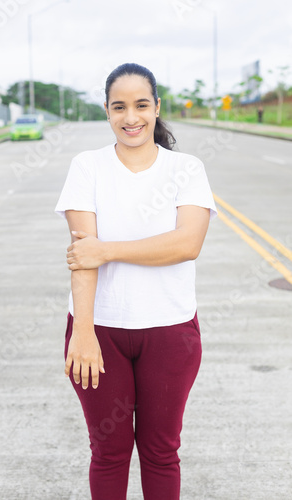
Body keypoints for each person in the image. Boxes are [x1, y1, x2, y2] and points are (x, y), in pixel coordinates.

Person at [55, 62, 217, 500]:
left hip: (170, 331)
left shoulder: (186, 169)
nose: (131, 118)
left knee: (161, 451)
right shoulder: (87, 166)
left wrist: (107, 249)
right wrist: (83, 332)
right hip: (99, 331)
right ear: (106, 110)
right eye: (119, 107)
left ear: (157, 107)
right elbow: (81, 260)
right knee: (108, 451)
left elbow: (186, 244)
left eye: (141, 105)